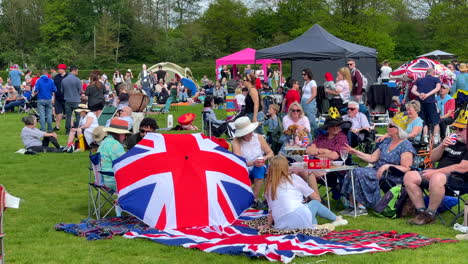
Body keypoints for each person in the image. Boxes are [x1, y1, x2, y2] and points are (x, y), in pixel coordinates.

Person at [340, 114, 416, 216]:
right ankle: (351, 205)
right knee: (353, 171)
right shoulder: (387, 141)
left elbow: (406, 168)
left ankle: (362, 207)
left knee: (360, 172)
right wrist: (354, 152)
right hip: (378, 170)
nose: (387, 127)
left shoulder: (406, 145)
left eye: (390, 125)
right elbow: (372, 158)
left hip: (393, 175)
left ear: (397, 129)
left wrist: (387, 166)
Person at [404, 111, 468, 225]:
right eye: (455, 128)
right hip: (438, 176)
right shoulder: (452, 142)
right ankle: (421, 211)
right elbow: (432, 158)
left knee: (437, 177)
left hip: (460, 180)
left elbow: (463, 167)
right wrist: (442, 145)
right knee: (410, 176)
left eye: (461, 129)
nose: (457, 131)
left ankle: (430, 214)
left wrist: (436, 172)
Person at [261, 155, 348, 230]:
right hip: (297, 217)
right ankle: (336, 219)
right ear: (286, 166)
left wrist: (268, 224)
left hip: (281, 225)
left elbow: (271, 210)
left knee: (306, 211)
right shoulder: (294, 178)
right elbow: (316, 198)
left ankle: (314, 225)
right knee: (314, 203)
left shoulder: (269, 186)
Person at [232, 117, 273, 207]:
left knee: (260, 169)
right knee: (247, 171)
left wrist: (264, 158)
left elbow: (270, 153)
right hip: (244, 167)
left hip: (258, 166)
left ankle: (253, 199)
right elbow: (238, 161)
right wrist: (252, 163)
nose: (250, 134)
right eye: (247, 132)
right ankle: (246, 199)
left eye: (250, 131)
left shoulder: (259, 137)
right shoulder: (236, 141)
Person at [305, 116, 350, 194]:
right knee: (298, 172)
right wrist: (324, 151)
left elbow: (334, 156)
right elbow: (308, 150)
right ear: (328, 127)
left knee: (306, 173)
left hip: (332, 171)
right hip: (316, 166)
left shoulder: (341, 137)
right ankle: (308, 198)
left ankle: (314, 198)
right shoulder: (321, 137)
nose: (336, 128)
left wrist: (316, 153)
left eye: (338, 125)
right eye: (333, 126)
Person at [99, 119, 132, 189]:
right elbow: (125, 163)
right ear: (119, 134)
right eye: (125, 134)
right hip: (113, 180)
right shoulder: (115, 144)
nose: (125, 137)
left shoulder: (104, 142)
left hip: (101, 179)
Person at [411, 68, 441, 144]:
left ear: (425, 73)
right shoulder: (436, 79)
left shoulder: (418, 80)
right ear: (433, 73)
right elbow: (438, 88)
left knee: (423, 120)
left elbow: (413, 90)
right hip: (431, 102)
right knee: (435, 120)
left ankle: (425, 138)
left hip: (420, 102)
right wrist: (427, 95)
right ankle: (436, 138)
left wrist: (420, 94)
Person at [62, 66, 82, 134]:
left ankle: (67, 131)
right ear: (74, 71)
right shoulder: (77, 80)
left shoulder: (64, 80)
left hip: (67, 100)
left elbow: (62, 91)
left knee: (68, 116)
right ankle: (78, 129)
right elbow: (80, 90)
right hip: (76, 100)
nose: (77, 72)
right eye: (77, 71)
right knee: (78, 116)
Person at [301, 68, 318, 135]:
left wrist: (308, 101)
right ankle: (308, 133)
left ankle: (316, 134)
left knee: (311, 119)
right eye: (302, 74)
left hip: (309, 102)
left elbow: (314, 93)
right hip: (303, 101)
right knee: (304, 118)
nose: (303, 76)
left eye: (304, 74)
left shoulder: (312, 82)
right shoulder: (305, 82)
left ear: (308, 74)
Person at [53, 64, 68, 131]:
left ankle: (69, 126)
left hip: (66, 98)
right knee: (58, 112)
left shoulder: (68, 76)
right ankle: (57, 126)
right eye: (58, 69)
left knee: (68, 113)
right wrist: (54, 97)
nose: (58, 70)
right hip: (58, 98)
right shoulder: (56, 77)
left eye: (60, 69)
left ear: (63, 69)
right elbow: (54, 87)